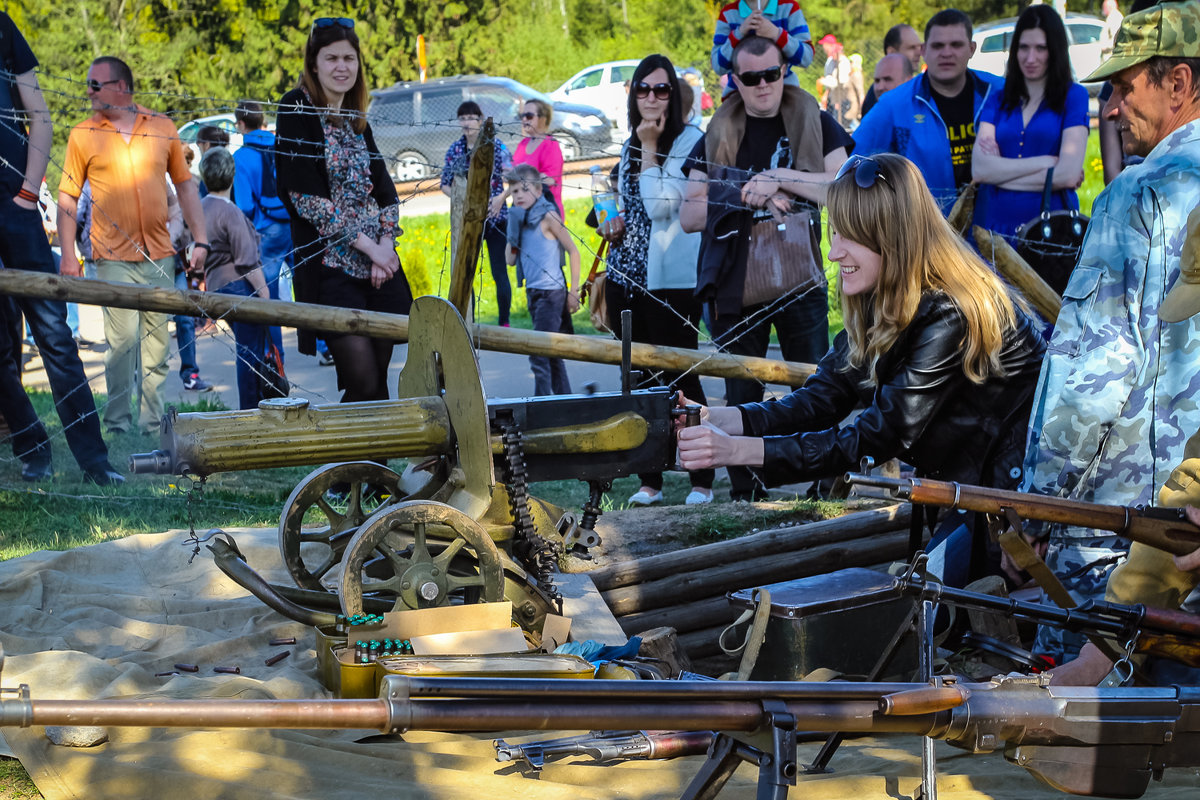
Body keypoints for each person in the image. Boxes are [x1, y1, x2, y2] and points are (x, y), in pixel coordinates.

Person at [678, 154, 1045, 567]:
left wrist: (736, 452)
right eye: (834, 232)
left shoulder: (950, 312)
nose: (833, 253)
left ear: (891, 236)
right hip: (971, 491)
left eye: (848, 237)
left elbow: (875, 437)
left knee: (939, 614)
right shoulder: (886, 295)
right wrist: (719, 420)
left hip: (1019, 505)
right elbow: (823, 396)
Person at [1021, 0, 1200, 666]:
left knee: (1080, 729)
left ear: (1178, 84)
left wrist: (1038, 507)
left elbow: (1090, 374)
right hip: (1190, 519)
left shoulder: (1139, 196)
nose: (1114, 106)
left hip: (1124, 526)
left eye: (1127, 86)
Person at [680, 34, 851, 501]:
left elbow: (844, 185)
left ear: (784, 71)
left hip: (800, 275)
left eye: (771, 75)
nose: (762, 86)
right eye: (750, 78)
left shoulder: (815, 120)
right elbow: (689, 213)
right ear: (735, 80)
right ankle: (747, 494)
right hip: (734, 282)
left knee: (817, 383)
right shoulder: (716, 130)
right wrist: (742, 192)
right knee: (742, 393)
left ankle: (826, 485)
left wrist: (781, 179)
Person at [0, 12, 122, 485]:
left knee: (53, 334)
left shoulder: (3, 27)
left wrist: (29, 191)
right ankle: (32, 448)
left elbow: (39, 115)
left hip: (16, 202)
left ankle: (95, 461)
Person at [57, 55, 209, 437]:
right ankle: (119, 426)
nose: (88, 91)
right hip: (110, 257)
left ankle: (151, 425)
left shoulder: (162, 127)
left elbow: (186, 186)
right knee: (123, 345)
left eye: (96, 84)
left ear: (121, 87)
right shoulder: (82, 134)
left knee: (156, 347)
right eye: (88, 84)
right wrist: (68, 256)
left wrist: (201, 239)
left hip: (159, 254)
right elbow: (67, 198)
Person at [597, 55, 715, 507]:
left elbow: (664, 207)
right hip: (628, 275)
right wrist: (610, 221)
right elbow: (626, 204)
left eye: (661, 89)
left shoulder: (690, 141)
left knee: (683, 377)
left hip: (671, 282)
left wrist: (649, 148)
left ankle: (702, 477)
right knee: (640, 380)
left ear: (676, 95)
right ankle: (650, 479)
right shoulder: (630, 144)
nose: (651, 97)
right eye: (643, 89)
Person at [275, 16, 411, 403]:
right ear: (313, 63)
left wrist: (386, 244)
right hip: (330, 268)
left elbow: (385, 189)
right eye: (331, 58)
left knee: (376, 380)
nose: (341, 67)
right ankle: (357, 461)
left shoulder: (355, 119)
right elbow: (307, 200)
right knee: (363, 377)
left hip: (376, 270)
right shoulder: (296, 108)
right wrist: (373, 249)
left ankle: (369, 463)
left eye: (349, 58)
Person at [853, 9, 1003, 214]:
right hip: (927, 233)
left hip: (995, 230)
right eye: (938, 45)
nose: (946, 53)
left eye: (956, 45)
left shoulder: (999, 93)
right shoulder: (895, 104)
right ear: (923, 50)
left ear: (972, 48)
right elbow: (854, 161)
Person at [971, 5, 1089, 263]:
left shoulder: (1074, 96)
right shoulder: (998, 99)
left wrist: (999, 174)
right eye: (1023, 47)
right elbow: (980, 170)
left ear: (1055, 50)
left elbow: (1069, 174)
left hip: (1049, 230)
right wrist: (1046, 164)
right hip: (996, 228)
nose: (1030, 57)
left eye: (1040, 48)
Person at [197, 147, 272, 410]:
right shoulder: (230, 212)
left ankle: (252, 406)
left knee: (246, 349)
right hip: (240, 287)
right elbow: (247, 260)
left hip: (216, 287)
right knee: (249, 352)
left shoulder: (199, 209)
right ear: (231, 176)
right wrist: (265, 293)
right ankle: (251, 409)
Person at [504, 164, 581, 396]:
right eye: (514, 191)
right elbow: (509, 260)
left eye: (524, 190)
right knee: (552, 355)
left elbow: (573, 251)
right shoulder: (519, 219)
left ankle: (540, 405)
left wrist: (574, 290)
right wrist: (513, 230)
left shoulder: (548, 216)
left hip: (551, 294)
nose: (518, 195)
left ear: (538, 190)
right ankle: (564, 403)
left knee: (539, 353)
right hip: (534, 293)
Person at [440, 101, 515, 326]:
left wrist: (501, 199)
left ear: (480, 120)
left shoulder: (497, 146)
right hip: (466, 220)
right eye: (462, 118)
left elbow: (513, 178)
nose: (466, 123)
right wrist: (460, 198)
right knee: (464, 272)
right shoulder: (455, 150)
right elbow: (444, 183)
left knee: (499, 271)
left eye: (470, 117)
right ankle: (466, 322)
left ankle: (504, 322)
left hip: (495, 218)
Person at [233, 100, 288, 363]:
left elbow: (244, 205)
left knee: (269, 295)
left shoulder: (241, 158)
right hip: (294, 222)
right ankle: (324, 346)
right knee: (309, 286)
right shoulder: (281, 144)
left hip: (267, 229)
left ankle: (277, 355)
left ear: (240, 124)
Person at [712, 0, 815, 96]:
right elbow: (718, 67)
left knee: (807, 109)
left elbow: (806, 57)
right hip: (739, 94)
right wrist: (739, 34)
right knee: (722, 116)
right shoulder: (728, 14)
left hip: (785, 90)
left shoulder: (789, 8)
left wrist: (777, 34)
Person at [511, 98, 564, 217]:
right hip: (523, 211)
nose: (524, 119)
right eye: (522, 116)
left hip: (546, 213)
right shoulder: (523, 144)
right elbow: (512, 174)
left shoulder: (550, 144)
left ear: (542, 119)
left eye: (529, 116)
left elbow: (549, 180)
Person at [861, 24, 924, 117]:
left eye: (919, 47)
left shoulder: (922, 87)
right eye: (911, 48)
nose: (919, 53)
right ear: (891, 52)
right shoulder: (879, 92)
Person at [817, 34, 853, 127]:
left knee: (840, 123)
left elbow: (839, 82)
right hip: (834, 98)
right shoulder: (833, 62)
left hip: (842, 98)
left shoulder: (843, 62)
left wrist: (824, 81)